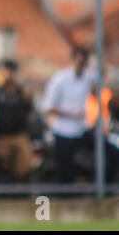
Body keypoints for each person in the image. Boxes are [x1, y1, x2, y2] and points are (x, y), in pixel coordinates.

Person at [41, 46, 95, 183]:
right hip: (63, 130)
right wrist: (71, 114)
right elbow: (48, 107)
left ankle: (104, 188)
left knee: (109, 152)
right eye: (79, 62)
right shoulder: (60, 79)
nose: (81, 66)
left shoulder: (88, 77)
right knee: (65, 166)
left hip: (81, 129)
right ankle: (65, 195)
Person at [0, 60, 34, 181]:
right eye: (6, 71)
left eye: (11, 71)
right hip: (2, 135)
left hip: (19, 134)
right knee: (2, 162)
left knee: (25, 165)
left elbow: (29, 112)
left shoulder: (23, 92)